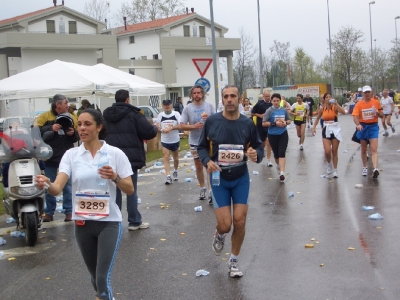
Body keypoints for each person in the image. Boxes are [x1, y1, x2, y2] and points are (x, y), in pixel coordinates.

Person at [36, 108, 134, 300]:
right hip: (83, 224)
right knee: (94, 278)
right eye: (79, 124)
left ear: (99, 127)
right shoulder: (71, 155)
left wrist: (114, 177)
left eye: (87, 124)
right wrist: (47, 183)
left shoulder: (115, 154)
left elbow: (129, 189)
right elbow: (57, 188)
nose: (82, 128)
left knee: (102, 278)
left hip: (109, 223)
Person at [197, 84, 263, 278]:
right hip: (219, 178)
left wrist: (254, 154)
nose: (229, 100)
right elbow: (201, 147)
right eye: (226, 96)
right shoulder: (212, 122)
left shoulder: (247, 123)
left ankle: (233, 260)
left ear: (239, 99)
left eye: (233, 96)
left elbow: (259, 147)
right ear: (222, 100)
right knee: (226, 225)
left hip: (240, 176)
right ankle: (220, 234)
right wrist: (207, 161)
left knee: (240, 221)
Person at [103, 89, 158, 231]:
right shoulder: (134, 114)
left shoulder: (106, 114)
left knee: (115, 189)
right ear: (127, 99)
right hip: (130, 157)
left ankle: (115, 220)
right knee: (130, 189)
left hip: (111, 156)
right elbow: (148, 132)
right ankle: (134, 221)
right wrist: (155, 128)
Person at [36, 94, 78, 222]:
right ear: (57, 104)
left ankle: (69, 211)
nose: (67, 105)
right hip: (49, 157)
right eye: (65, 103)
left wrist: (73, 134)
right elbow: (36, 132)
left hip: (66, 156)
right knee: (49, 186)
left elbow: (77, 137)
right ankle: (49, 212)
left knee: (67, 186)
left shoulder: (72, 117)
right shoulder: (44, 117)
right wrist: (50, 128)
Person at [179, 85, 215, 201]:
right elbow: (182, 125)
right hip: (195, 141)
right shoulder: (188, 108)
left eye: (199, 93)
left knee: (209, 165)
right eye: (194, 93)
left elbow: (217, 122)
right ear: (191, 95)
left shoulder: (209, 106)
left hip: (209, 140)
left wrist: (209, 119)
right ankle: (202, 187)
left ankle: (211, 191)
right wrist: (193, 126)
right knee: (198, 165)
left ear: (203, 94)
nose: (197, 95)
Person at [352, 85, 384, 178]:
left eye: (368, 92)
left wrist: (378, 113)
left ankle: (375, 169)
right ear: (362, 93)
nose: (366, 94)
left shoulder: (376, 102)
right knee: (363, 149)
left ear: (371, 93)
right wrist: (358, 124)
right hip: (363, 126)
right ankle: (364, 167)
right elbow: (355, 116)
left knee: (374, 148)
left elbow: (382, 115)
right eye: (365, 92)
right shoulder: (359, 104)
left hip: (373, 126)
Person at [312, 93, 346, 178]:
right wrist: (314, 127)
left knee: (334, 151)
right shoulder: (322, 109)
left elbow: (344, 112)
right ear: (324, 99)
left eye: (329, 97)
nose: (328, 98)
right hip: (326, 130)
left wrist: (336, 104)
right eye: (326, 97)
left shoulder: (335, 108)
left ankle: (335, 170)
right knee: (327, 151)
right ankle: (329, 164)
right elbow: (317, 118)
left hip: (335, 130)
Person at [262, 93, 291, 181]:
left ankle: (282, 173)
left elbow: (289, 120)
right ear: (271, 101)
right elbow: (264, 123)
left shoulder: (284, 110)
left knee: (282, 152)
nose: (276, 102)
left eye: (277, 101)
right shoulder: (269, 111)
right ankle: (278, 165)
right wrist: (274, 123)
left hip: (283, 133)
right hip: (272, 134)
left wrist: (285, 123)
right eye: (274, 101)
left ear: (280, 101)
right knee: (276, 153)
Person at [155, 99, 181, 184]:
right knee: (166, 157)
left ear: (171, 106)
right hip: (165, 140)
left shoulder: (176, 114)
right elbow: (157, 127)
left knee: (176, 158)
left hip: (175, 139)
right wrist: (162, 129)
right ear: (162, 106)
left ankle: (175, 171)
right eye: (165, 105)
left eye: (168, 105)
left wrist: (171, 128)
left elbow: (181, 125)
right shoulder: (160, 115)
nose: (167, 107)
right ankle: (168, 176)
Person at [251, 91, 273, 166]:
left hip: (269, 125)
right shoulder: (259, 103)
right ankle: (262, 150)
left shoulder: (272, 104)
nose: (268, 98)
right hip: (260, 125)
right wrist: (260, 115)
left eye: (269, 96)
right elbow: (252, 112)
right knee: (263, 142)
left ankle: (268, 160)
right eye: (266, 96)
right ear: (263, 96)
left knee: (269, 141)